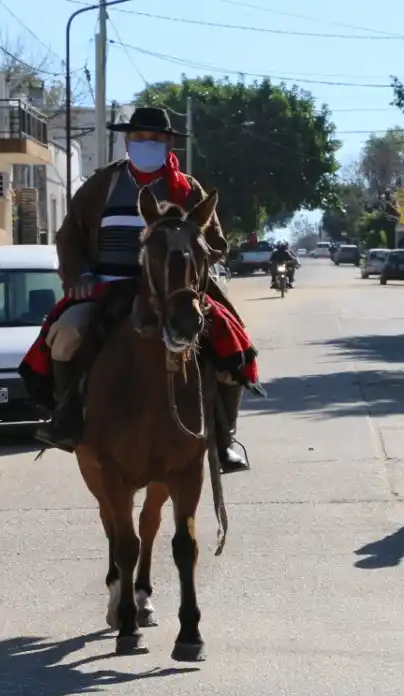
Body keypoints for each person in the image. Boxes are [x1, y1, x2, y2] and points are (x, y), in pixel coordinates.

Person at [23, 106, 254, 472]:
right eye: (140, 137)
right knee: (66, 334)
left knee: (231, 343)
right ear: (127, 141)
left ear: (169, 143)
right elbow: (69, 236)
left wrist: (192, 263)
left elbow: (215, 243)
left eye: (156, 138)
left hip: (175, 291)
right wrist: (80, 276)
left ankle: (224, 438)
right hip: (107, 287)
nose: (147, 143)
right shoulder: (101, 185)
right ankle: (66, 418)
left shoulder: (189, 189)